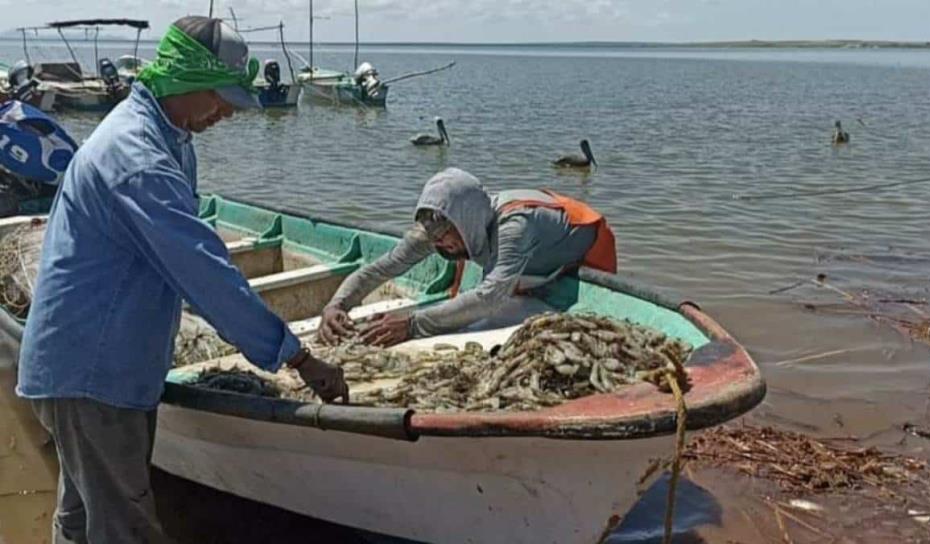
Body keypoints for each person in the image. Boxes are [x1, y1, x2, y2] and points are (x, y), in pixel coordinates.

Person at [16, 16, 348, 544]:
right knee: (125, 529)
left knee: (82, 520)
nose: (223, 113)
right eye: (219, 97)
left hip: (86, 365)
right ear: (183, 77)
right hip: (93, 373)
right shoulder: (137, 156)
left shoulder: (169, 136)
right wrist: (297, 356)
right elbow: (203, 270)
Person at [318, 167, 617, 347]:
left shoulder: (515, 227)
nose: (440, 243)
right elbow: (379, 269)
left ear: (469, 222)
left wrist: (411, 325)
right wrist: (336, 305)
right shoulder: (439, 231)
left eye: (447, 234)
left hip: (578, 253)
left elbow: (489, 299)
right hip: (526, 266)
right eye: (434, 236)